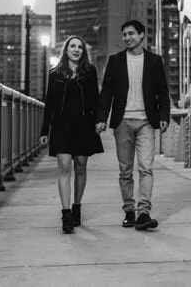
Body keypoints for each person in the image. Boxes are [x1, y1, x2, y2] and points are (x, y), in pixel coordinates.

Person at [97, 20, 171, 231]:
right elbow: (107, 93)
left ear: (141, 36)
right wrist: (102, 118)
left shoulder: (155, 61)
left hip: (147, 121)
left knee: (146, 168)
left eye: (131, 34)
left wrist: (164, 115)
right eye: (124, 34)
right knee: (125, 171)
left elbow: (162, 93)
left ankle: (143, 212)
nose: (127, 37)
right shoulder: (115, 61)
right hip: (122, 122)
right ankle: (129, 211)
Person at [39, 36, 105, 234]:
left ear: (83, 51)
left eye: (80, 47)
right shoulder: (55, 74)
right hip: (61, 126)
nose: (76, 50)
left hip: (84, 125)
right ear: (65, 50)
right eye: (72, 46)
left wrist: (99, 120)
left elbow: (95, 98)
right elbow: (49, 104)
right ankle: (66, 214)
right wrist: (44, 131)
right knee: (64, 167)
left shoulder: (90, 72)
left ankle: (77, 206)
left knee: (81, 166)